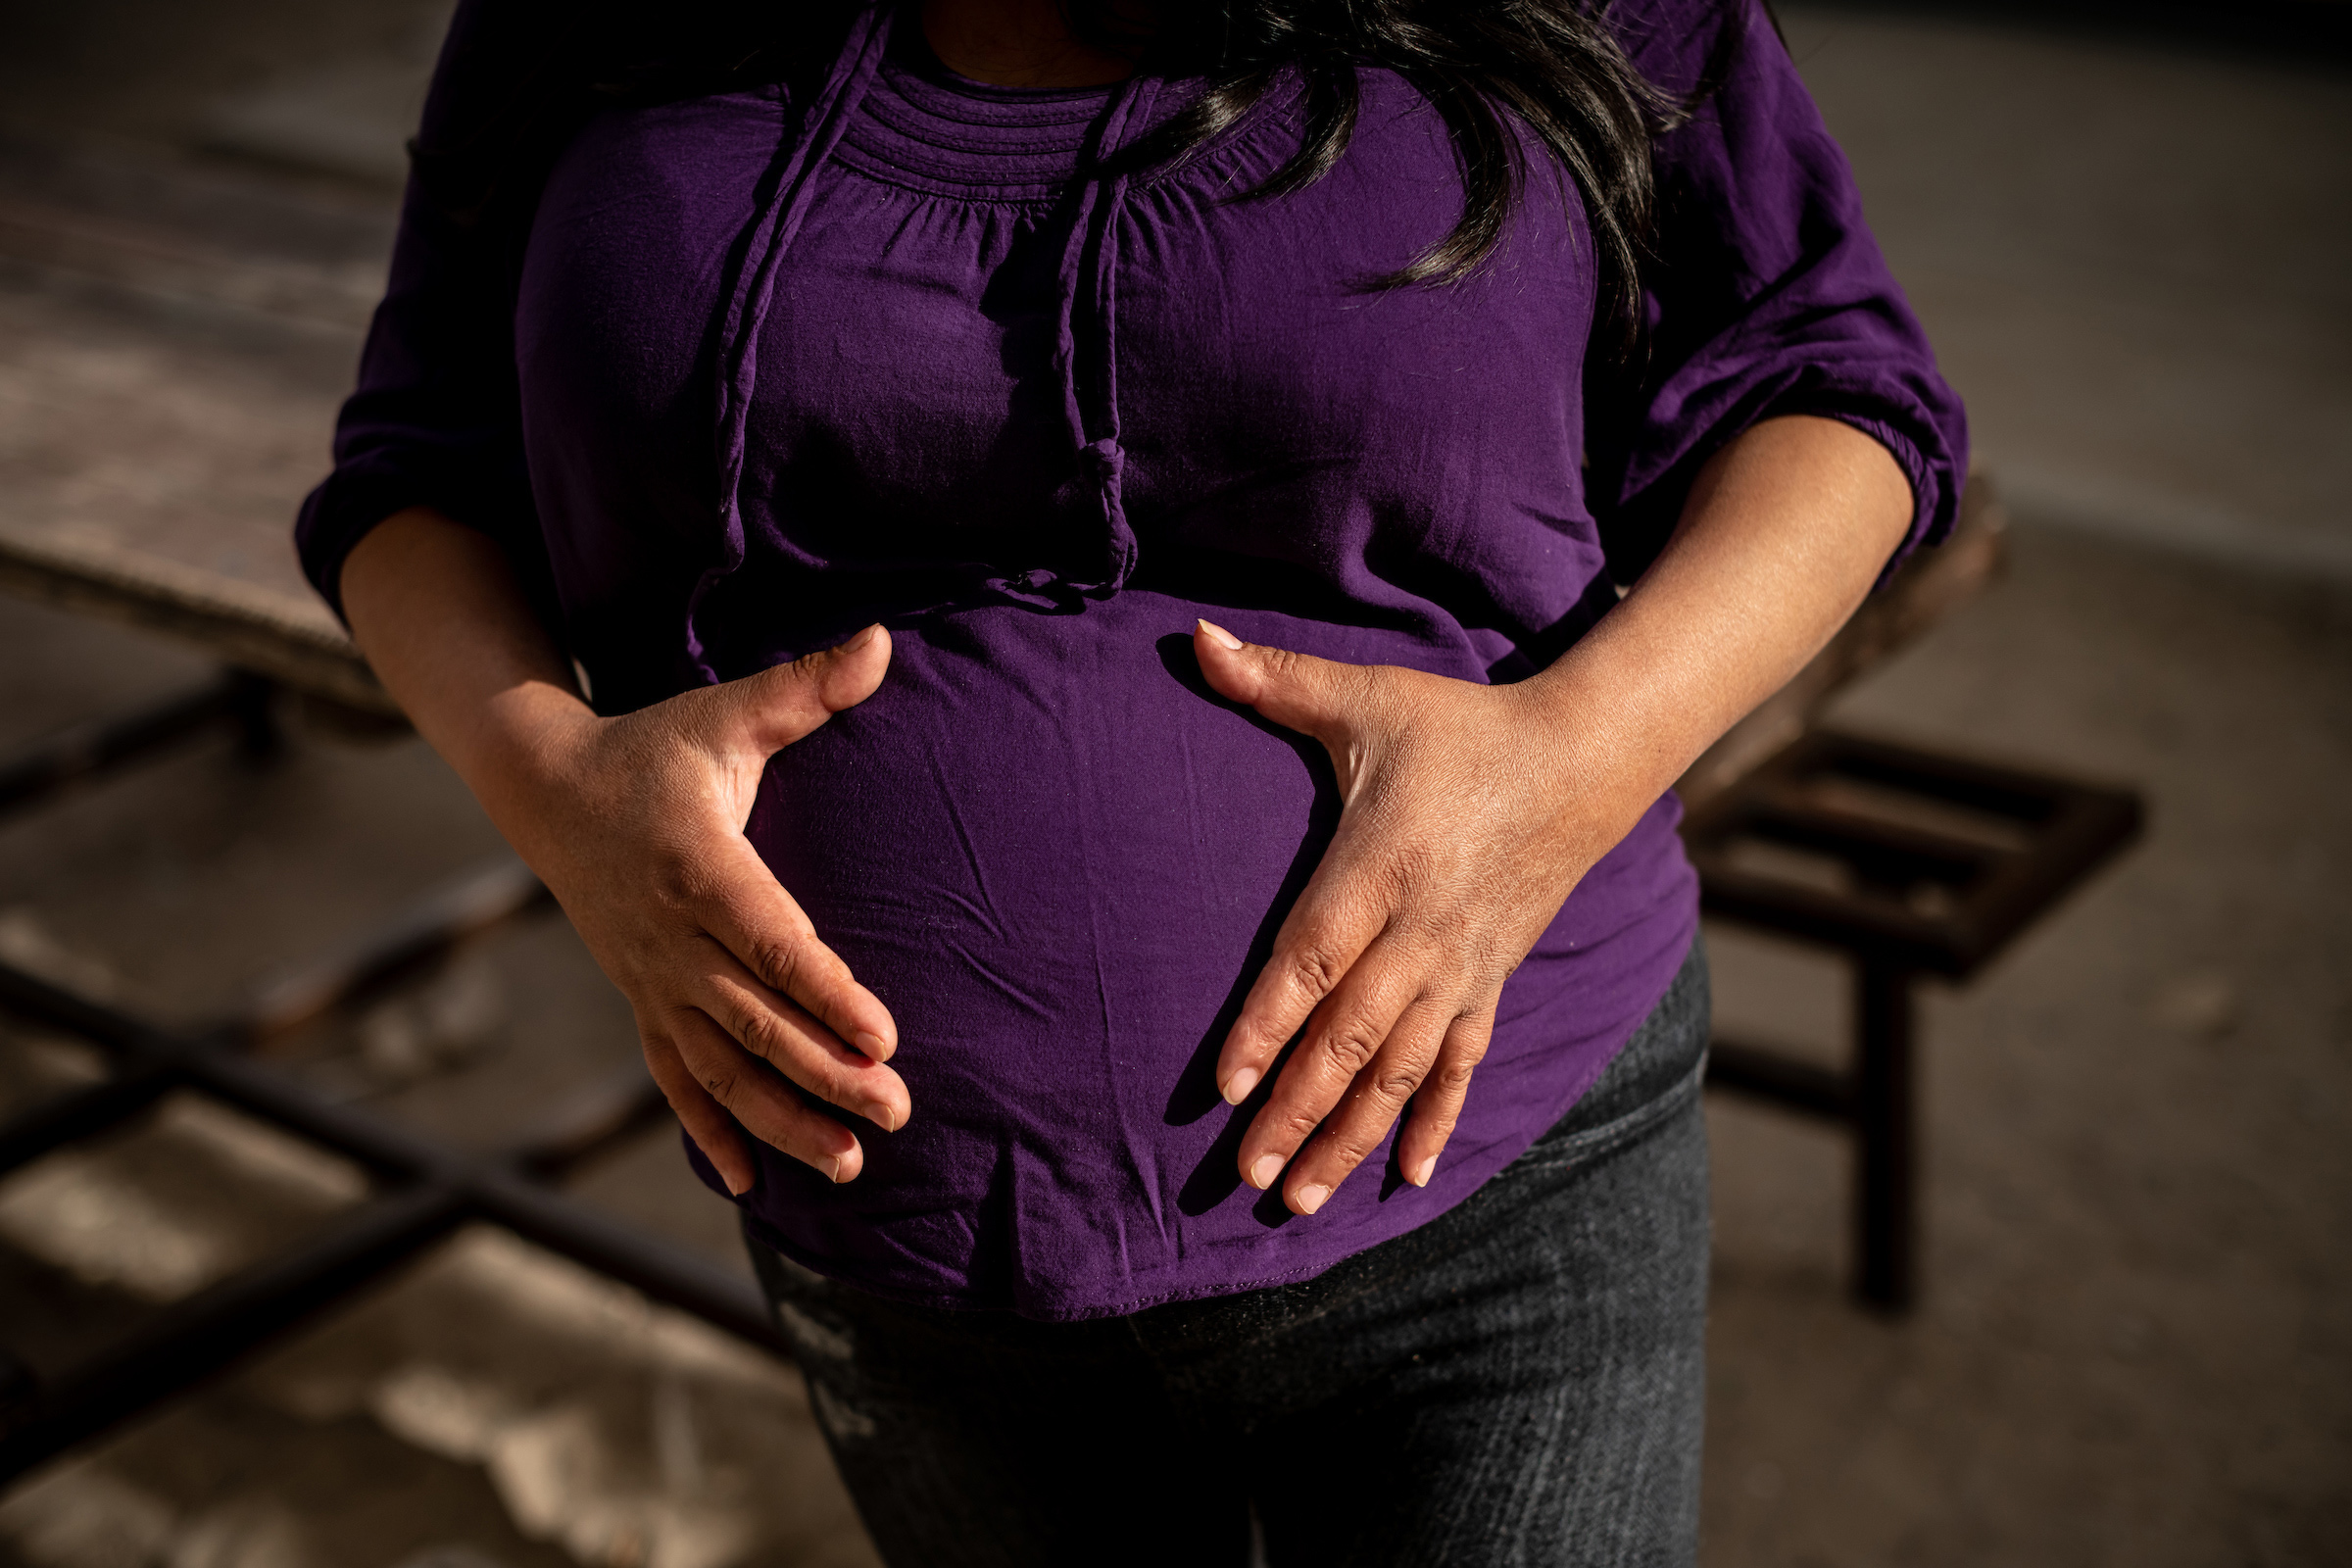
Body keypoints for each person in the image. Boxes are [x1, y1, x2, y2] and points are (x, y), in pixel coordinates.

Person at [299, 0, 1964, 1559]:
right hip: (889, 1234)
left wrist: (1567, 763)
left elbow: (1835, 386)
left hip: (1501, 1182)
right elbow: (414, 464)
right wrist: (555, 789)